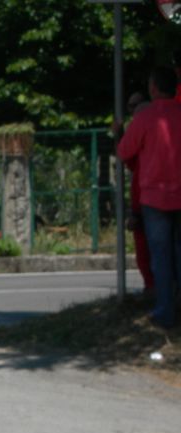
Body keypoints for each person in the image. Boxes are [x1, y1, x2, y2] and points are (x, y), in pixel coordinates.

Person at [117, 66, 181, 329]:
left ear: (153, 88)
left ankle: (165, 311)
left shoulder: (145, 118)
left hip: (154, 197)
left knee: (160, 256)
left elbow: (124, 151)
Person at [123, 91, 155, 297]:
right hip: (145, 200)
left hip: (149, 200)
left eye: (136, 105)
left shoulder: (144, 128)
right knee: (148, 251)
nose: (133, 111)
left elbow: (124, 153)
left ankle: (156, 290)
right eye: (130, 106)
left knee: (153, 250)